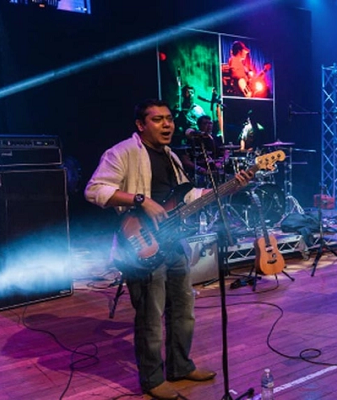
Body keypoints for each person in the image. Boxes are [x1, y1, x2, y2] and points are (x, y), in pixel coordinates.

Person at [85, 99, 253, 400]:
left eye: (169, 119)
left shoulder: (172, 157)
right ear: (141, 125)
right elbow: (94, 190)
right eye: (158, 119)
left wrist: (230, 187)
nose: (167, 125)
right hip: (141, 242)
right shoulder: (122, 152)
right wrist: (141, 200)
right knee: (150, 317)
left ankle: (180, 366)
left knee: (183, 309)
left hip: (173, 242)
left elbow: (188, 196)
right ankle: (152, 380)